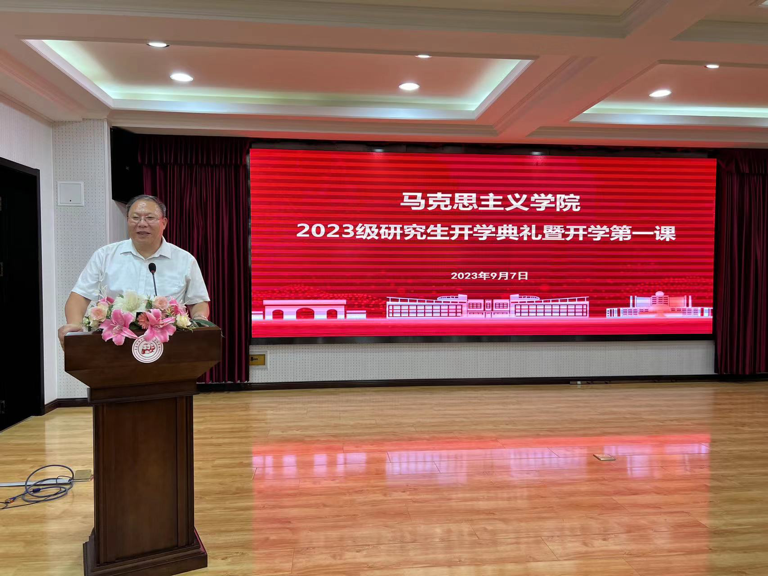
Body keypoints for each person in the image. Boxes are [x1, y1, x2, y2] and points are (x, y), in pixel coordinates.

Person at [58, 195, 210, 347]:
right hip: (113, 347)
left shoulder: (184, 260)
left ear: (163, 223)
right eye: (135, 218)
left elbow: (198, 301)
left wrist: (199, 320)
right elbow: (80, 296)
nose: (142, 224)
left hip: (170, 346)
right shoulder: (105, 256)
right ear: (128, 220)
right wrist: (74, 325)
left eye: (150, 218)